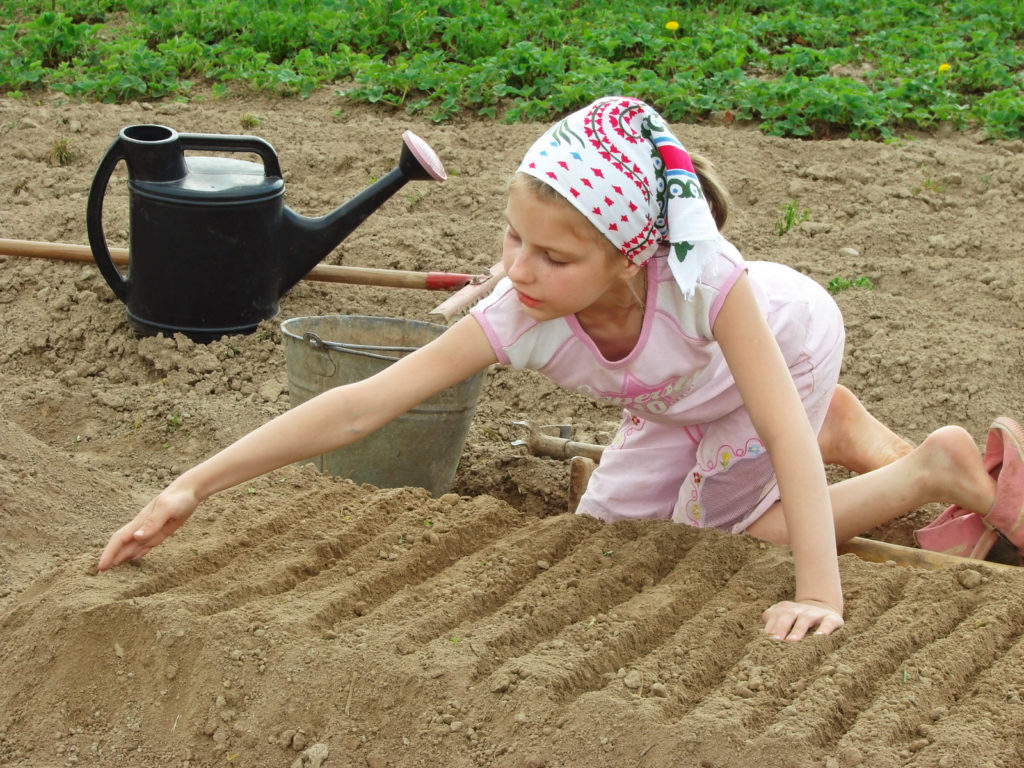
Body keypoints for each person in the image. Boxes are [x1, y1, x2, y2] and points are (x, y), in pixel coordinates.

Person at [98, 97, 1024, 643]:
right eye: (513, 239)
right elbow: (358, 407)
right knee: (599, 534)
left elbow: (779, 430)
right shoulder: (525, 312)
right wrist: (191, 484)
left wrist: (820, 595)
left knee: (722, 541)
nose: (517, 271)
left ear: (630, 257)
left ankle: (929, 466)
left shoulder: (708, 284)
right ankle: (839, 429)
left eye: (552, 256)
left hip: (778, 356)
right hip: (672, 397)